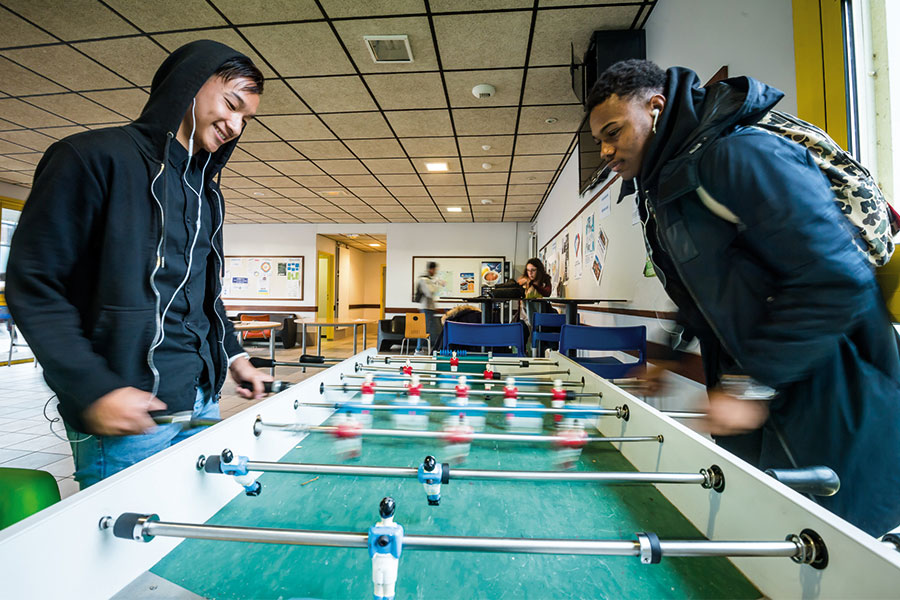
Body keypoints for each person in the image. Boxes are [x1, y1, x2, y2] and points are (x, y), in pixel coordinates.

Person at [586, 58, 900, 536]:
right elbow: (710, 289)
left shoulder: (735, 155)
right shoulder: (667, 189)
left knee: (832, 557)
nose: (606, 150)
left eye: (613, 131)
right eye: (599, 142)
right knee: (759, 543)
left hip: (834, 395)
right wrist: (670, 359)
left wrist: (751, 385)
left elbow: (837, 279)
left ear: (655, 107)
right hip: (759, 395)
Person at [5, 40, 273, 488]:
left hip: (200, 400)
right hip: (127, 405)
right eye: (230, 104)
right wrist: (95, 389)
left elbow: (205, 294)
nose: (235, 125)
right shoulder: (92, 158)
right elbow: (35, 286)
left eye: (246, 118)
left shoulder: (207, 192)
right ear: (188, 85)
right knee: (126, 549)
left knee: (185, 540)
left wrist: (235, 356)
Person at [415, 261, 438, 353]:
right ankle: (418, 349)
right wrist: (435, 285)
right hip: (426, 308)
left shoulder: (427, 279)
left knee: (428, 329)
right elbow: (429, 292)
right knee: (424, 329)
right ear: (431, 269)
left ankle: (424, 348)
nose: (435, 271)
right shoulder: (424, 280)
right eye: (435, 270)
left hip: (429, 308)